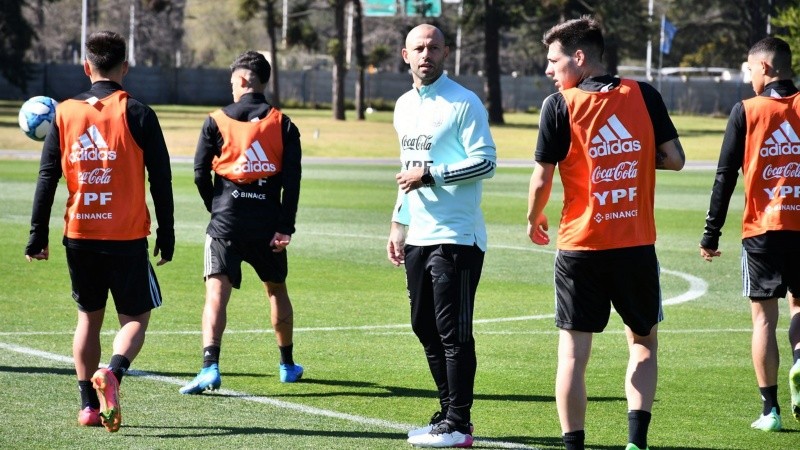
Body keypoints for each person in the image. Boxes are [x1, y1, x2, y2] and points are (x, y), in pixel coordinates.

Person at [526, 17, 685, 450]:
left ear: (579, 58)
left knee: (573, 355)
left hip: (580, 246)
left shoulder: (559, 104)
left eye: (553, 60)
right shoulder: (643, 94)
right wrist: (629, 159)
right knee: (643, 343)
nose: (549, 70)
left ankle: (574, 445)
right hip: (634, 244)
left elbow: (542, 179)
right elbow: (674, 159)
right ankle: (636, 443)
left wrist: (533, 217)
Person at [24, 30, 175, 433]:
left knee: (88, 319)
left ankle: (88, 407)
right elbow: (161, 179)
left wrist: (37, 234)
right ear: (125, 67)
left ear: (86, 67)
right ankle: (114, 373)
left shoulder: (64, 112)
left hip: (79, 233)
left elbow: (47, 177)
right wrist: (168, 231)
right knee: (136, 319)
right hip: (125, 234)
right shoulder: (140, 112)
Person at [386, 24, 496, 448]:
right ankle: (447, 415)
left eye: (433, 47)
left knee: (453, 332)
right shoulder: (402, 106)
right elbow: (405, 171)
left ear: (446, 51)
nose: (426, 54)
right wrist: (398, 223)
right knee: (423, 326)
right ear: (405, 55)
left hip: (457, 235)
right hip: (419, 234)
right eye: (419, 48)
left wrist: (431, 174)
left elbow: (485, 163)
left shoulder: (464, 102)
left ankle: (458, 424)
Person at [180, 50, 303, 394]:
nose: (230, 87)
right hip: (268, 225)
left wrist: (215, 206)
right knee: (276, 290)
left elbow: (199, 173)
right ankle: (286, 365)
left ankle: (209, 367)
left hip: (226, 223)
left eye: (233, 81)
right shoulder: (283, 123)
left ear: (244, 81)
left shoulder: (215, 120)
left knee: (216, 294)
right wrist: (285, 227)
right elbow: (292, 180)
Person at [699, 36, 800, 431]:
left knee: (763, 319)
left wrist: (711, 234)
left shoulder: (746, 111)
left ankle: (770, 411)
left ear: (766, 68)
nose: (749, 75)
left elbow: (725, 176)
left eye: (750, 67)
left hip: (762, 229)